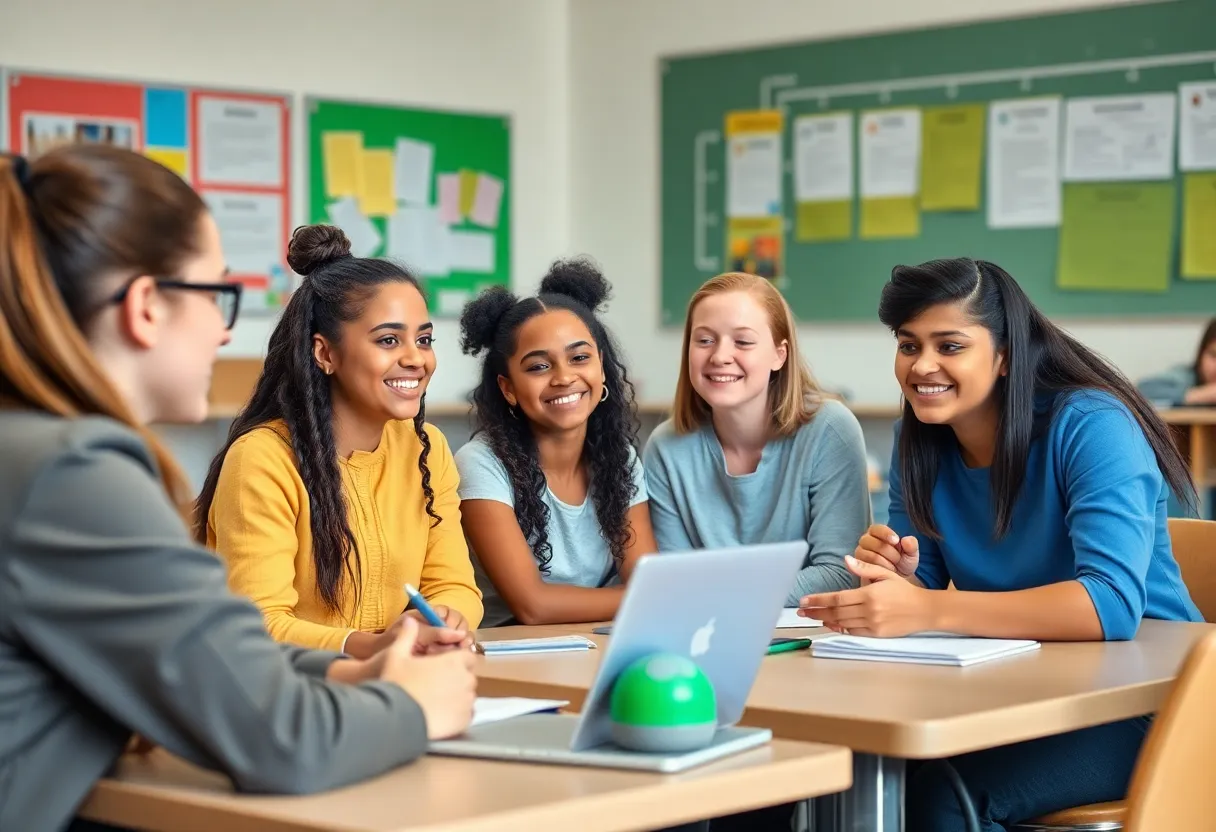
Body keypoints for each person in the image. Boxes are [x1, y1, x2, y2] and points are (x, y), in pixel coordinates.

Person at [0, 147, 477, 832]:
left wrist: (352, 671)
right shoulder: (72, 473)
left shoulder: (29, 448)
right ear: (145, 308)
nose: (227, 331)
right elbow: (282, 742)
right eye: (216, 294)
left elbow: (201, 663)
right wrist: (414, 706)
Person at [799, 258, 1203, 832]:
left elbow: (1109, 606)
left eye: (950, 345)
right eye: (909, 346)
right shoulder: (921, 437)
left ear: (1007, 353)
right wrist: (900, 578)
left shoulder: (1092, 424)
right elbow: (926, 585)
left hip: (1148, 705)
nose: (923, 366)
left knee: (938, 797)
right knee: (839, 770)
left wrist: (927, 607)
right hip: (1023, 690)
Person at [196, 225, 482, 657]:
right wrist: (374, 646)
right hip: (286, 692)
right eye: (389, 340)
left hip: (387, 679)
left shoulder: (427, 448)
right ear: (324, 353)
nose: (415, 359)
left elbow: (454, 584)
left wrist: (442, 618)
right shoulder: (263, 458)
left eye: (423, 339)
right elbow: (259, 625)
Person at [643, 271, 871, 603]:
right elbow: (673, 577)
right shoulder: (665, 447)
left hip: (809, 639)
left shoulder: (830, 430)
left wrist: (723, 593)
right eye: (704, 340)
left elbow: (840, 574)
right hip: (707, 636)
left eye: (743, 341)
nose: (720, 356)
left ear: (780, 354)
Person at [454, 259, 656, 626]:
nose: (564, 378)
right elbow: (533, 606)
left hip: (599, 638)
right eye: (538, 367)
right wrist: (645, 598)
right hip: (509, 650)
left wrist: (647, 595)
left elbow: (645, 578)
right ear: (508, 388)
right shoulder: (480, 464)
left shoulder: (619, 457)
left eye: (580, 358)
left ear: (601, 366)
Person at [1137, 317, 1216, 406]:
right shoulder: (1186, 377)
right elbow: (1143, 390)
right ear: (1201, 354)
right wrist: (1199, 395)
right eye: (1213, 355)